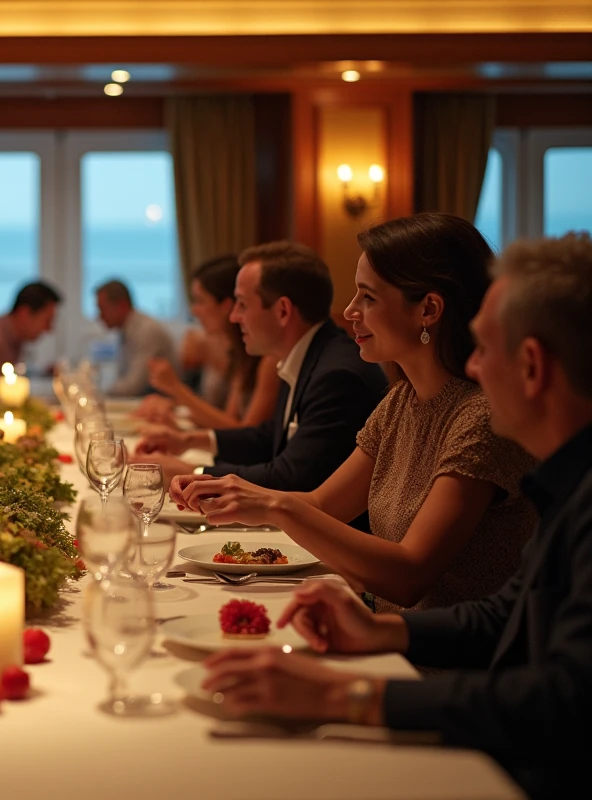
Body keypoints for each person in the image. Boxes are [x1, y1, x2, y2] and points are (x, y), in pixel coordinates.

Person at [196, 232, 592, 800]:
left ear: (531, 365)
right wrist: (377, 629)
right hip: (443, 687)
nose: (476, 367)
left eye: (486, 348)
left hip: (495, 741)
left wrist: (343, 696)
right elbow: (502, 616)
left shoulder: (485, 425)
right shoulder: (409, 403)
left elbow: (563, 701)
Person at [171, 214, 536, 611]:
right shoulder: (401, 402)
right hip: (381, 636)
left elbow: (409, 576)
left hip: (436, 661)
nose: (349, 311)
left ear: (428, 309)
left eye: (368, 296)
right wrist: (232, 492)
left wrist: (271, 505)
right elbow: (324, 504)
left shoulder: (480, 419)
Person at [136, 241, 387, 492]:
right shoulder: (311, 355)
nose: (234, 316)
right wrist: (187, 440)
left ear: (282, 311)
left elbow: (292, 477)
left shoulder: (337, 376)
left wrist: (193, 473)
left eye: (242, 304)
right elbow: (270, 438)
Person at [139, 255, 281, 429]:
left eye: (200, 301)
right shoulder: (239, 351)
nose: (194, 310)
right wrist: (176, 419)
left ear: (225, 305)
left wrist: (176, 388)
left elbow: (245, 434)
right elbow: (227, 420)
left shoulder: (268, 358)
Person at [0, 281, 62, 394]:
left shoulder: (15, 336)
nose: (49, 329)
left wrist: (43, 372)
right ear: (24, 313)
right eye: (47, 321)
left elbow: (15, 372)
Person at [95, 279, 178, 397]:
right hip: (148, 400)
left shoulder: (147, 331)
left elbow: (133, 387)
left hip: (165, 402)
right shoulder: (126, 329)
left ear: (122, 306)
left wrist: (96, 393)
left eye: (102, 309)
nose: (99, 316)